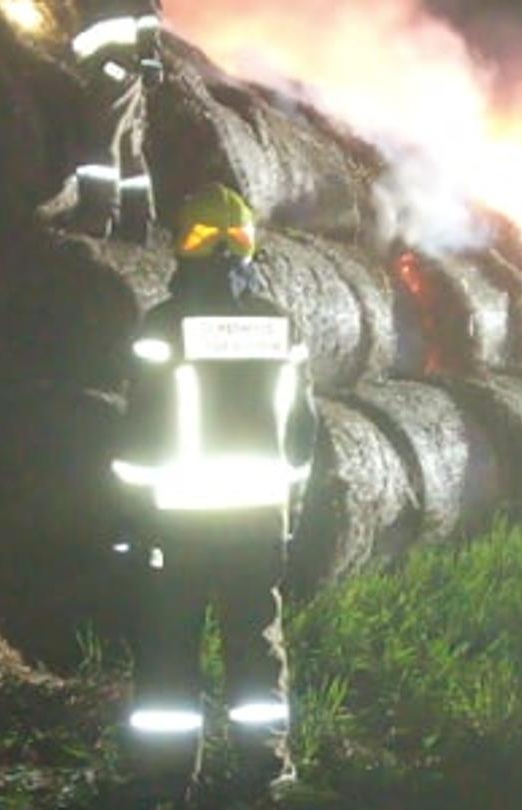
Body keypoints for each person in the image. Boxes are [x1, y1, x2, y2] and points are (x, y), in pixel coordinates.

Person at [110, 184, 316, 797]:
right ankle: (267, 771)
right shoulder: (281, 326)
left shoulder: (164, 327)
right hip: (257, 519)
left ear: (182, 247)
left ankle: (167, 780)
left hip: (178, 521)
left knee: (171, 649)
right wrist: (290, 514)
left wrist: (131, 521)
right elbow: (303, 435)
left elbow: (140, 435)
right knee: (255, 646)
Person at [52, 0, 164, 241]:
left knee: (98, 141)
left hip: (112, 66)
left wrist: (149, 56)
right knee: (127, 146)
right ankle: (137, 222)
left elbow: (148, 14)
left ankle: (95, 217)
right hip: (121, 67)